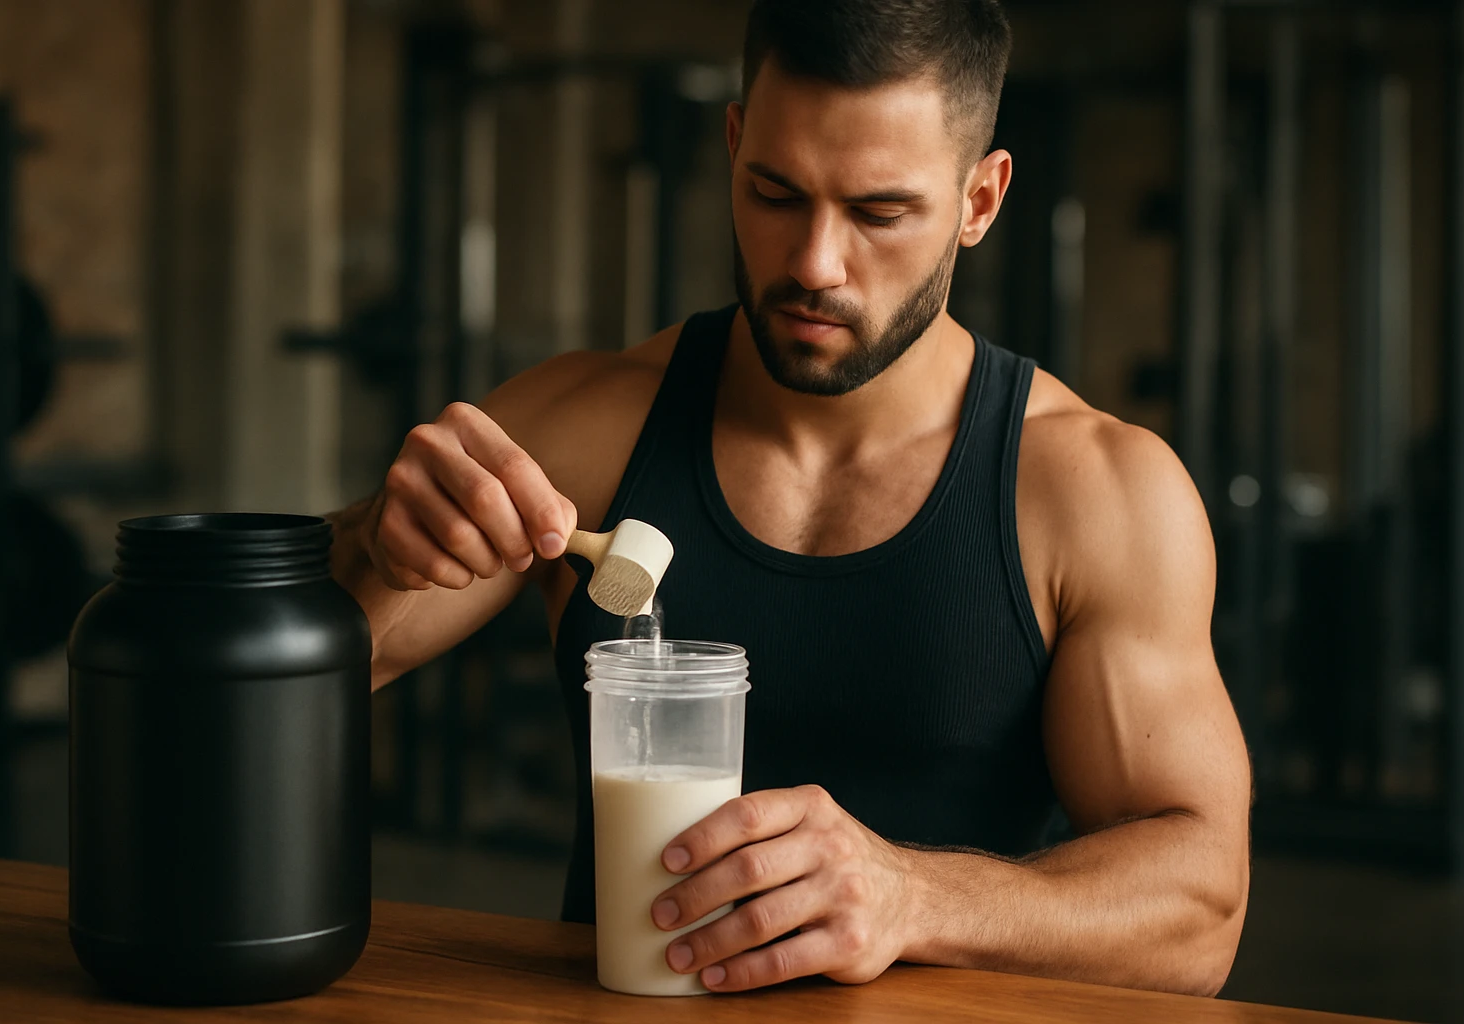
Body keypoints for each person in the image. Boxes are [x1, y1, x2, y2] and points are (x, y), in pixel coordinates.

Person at [328, 0, 1250, 997]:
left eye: (877, 212)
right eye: (775, 192)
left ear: (979, 201)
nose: (813, 264)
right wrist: (375, 547)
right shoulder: (585, 429)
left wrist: (914, 895)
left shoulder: (1095, 492)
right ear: (732, 145)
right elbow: (256, 684)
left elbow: (1199, 906)